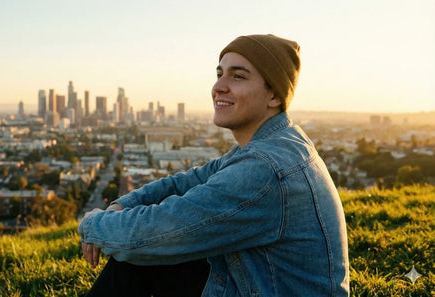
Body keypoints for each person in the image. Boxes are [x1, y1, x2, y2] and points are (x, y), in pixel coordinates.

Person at [78, 34, 350, 297]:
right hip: (265, 282)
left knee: (138, 255)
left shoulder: (265, 168)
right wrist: (122, 205)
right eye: (220, 73)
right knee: (143, 260)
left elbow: (158, 231)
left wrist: (93, 224)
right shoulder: (273, 143)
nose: (219, 86)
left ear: (274, 97)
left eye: (238, 76)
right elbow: (186, 182)